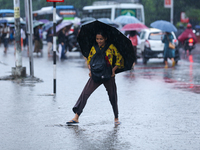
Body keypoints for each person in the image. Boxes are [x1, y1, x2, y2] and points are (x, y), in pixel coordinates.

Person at [66, 30, 124, 125]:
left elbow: (120, 59)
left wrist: (114, 70)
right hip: (95, 75)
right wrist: (90, 70)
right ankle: (76, 117)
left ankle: (116, 117)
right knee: (85, 94)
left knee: (113, 96)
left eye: (101, 39)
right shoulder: (94, 48)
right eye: (97, 39)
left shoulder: (111, 47)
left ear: (105, 38)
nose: (99, 41)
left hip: (108, 75)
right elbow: (89, 60)